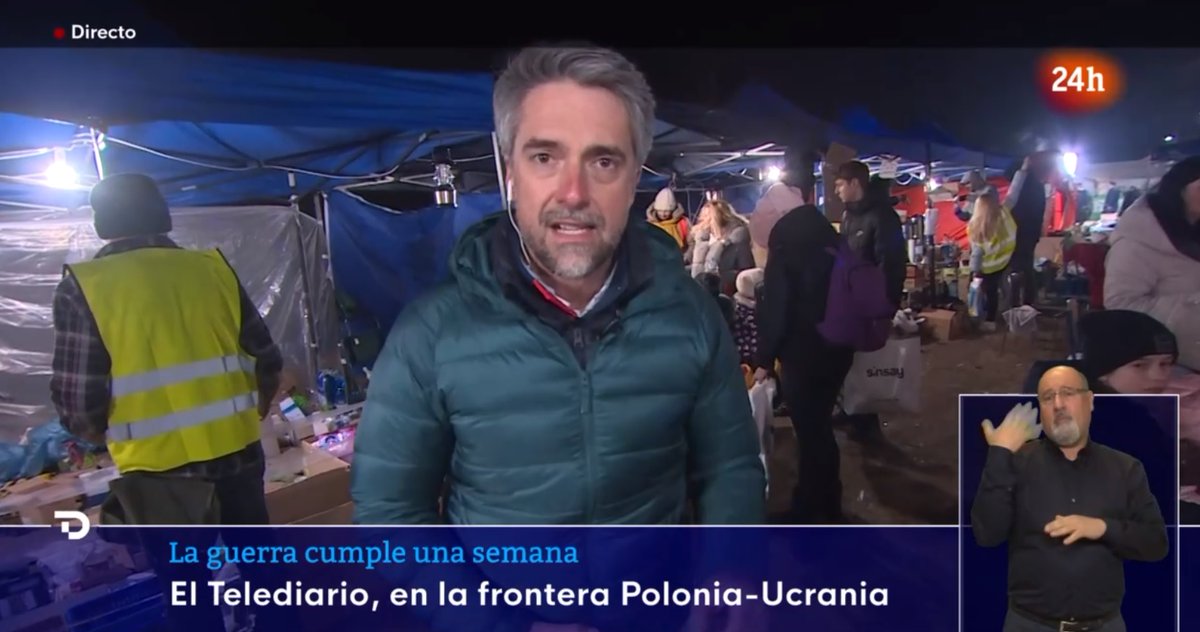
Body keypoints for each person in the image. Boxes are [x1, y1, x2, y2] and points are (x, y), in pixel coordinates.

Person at [351, 45, 765, 527]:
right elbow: (389, 512)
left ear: (634, 179)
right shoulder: (430, 334)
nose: (573, 192)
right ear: (510, 173)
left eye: (603, 161)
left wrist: (727, 570)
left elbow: (731, 468)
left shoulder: (690, 315)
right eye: (545, 156)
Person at [49, 173, 290, 632]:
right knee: (266, 578)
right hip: (238, 456)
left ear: (103, 223)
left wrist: (103, 435)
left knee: (189, 597)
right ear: (163, 215)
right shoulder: (212, 269)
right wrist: (244, 413)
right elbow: (267, 359)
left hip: (158, 476)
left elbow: (79, 403)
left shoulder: (87, 286)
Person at [972, 365, 1169, 632]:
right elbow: (988, 535)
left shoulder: (1126, 468)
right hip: (1029, 625)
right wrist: (999, 453)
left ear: (1090, 401)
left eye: (1068, 393)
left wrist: (1101, 528)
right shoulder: (1015, 463)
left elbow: (1155, 543)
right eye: (1047, 397)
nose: (1058, 404)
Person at [753, 175, 856, 523]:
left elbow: (779, 303)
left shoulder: (786, 238)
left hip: (805, 348)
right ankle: (828, 501)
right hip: (839, 343)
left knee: (810, 430)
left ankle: (813, 510)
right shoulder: (826, 229)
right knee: (820, 426)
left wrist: (765, 358)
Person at [832, 161, 907, 439]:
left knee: (869, 363)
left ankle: (868, 424)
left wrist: (885, 305)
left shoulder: (883, 217)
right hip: (850, 303)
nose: (837, 191)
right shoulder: (849, 216)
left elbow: (892, 264)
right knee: (850, 362)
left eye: (840, 185)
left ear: (855, 184)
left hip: (872, 305)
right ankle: (853, 412)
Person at [1104, 156, 1200, 372]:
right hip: (1168, 365)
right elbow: (1121, 304)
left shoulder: (1194, 231)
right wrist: (1192, 308)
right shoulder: (1140, 237)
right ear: (1180, 190)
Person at [967, 188, 1018, 331]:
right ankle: (1006, 316)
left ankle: (988, 321)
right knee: (1003, 290)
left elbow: (976, 254)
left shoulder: (976, 227)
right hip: (1004, 262)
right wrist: (1022, 172)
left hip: (987, 268)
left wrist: (974, 272)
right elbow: (1013, 195)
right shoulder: (1003, 214)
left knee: (988, 294)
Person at [686, 198, 755, 292]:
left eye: (707, 216)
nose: (702, 219)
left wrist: (722, 279)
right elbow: (693, 264)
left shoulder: (737, 241)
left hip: (727, 293)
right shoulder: (700, 239)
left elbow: (746, 272)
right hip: (700, 293)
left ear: (718, 217)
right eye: (703, 216)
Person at [645, 186, 689, 251]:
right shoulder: (648, 225)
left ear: (673, 210)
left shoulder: (682, 223)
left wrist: (686, 257)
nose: (663, 214)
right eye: (660, 210)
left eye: (667, 211)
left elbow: (690, 243)